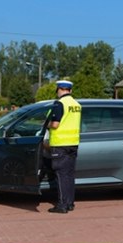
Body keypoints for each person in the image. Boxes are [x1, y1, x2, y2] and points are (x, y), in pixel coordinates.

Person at [45, 80, 81, 213]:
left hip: (60, 144)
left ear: (58, 89)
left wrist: (45, 125)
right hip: (73, 143)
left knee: (60, 175)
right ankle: (70, 203)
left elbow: (55, 124)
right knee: (69, 175)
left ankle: (62, 205)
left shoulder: (59, 104)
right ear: (70, 91)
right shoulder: (76, 105)